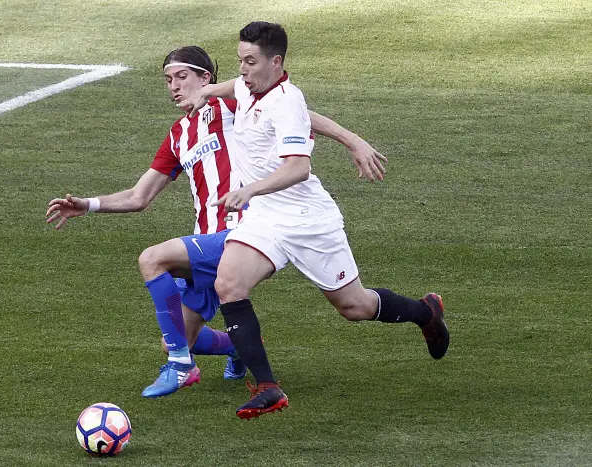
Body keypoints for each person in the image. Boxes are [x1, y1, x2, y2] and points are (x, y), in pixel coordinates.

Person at [46, 45, 388, 399]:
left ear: (206, 78)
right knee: (178, 338)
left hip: (245, 233)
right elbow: (139, 197)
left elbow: (298, 113)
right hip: (205, 240)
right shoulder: (178, 135)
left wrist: (353, 140)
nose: (174, 87)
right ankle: (233, 346)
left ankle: (182, 367)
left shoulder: (230, 105)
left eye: (182, 77)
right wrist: (89, 204)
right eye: (168, 80)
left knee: (153, 260)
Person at [179, 22, 449, 419]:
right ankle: (268, 388)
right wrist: (205, 91)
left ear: (277, 62)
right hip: (267, 218)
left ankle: (426, 312)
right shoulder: (248, 87)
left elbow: (298, 169)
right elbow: (230, 88)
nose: (242, 69)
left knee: (354, 306)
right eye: (240, 60)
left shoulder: (286, 101)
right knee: (229, 283)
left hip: (307, 219)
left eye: (250, 61)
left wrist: (249, 190)